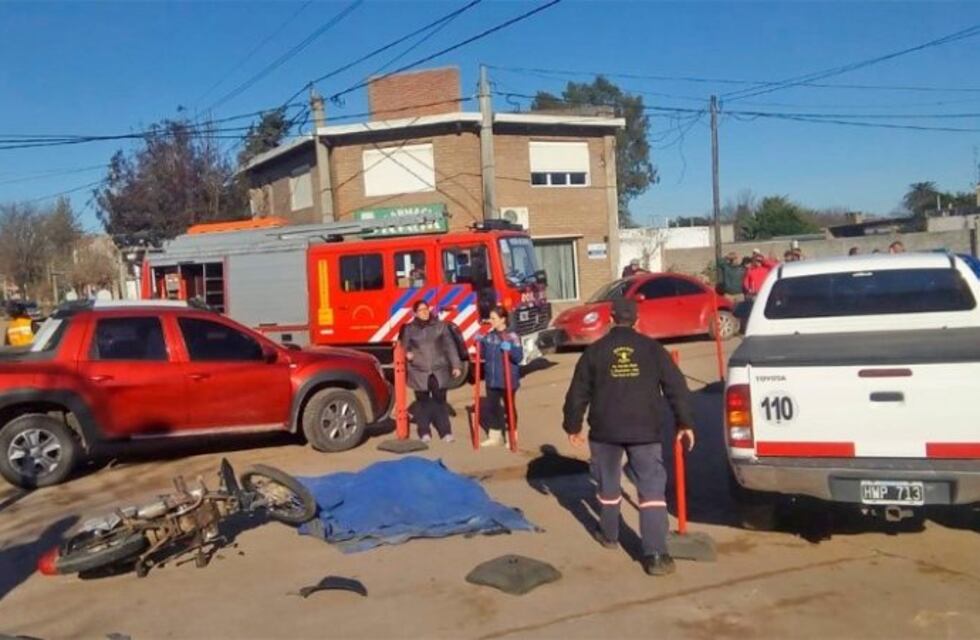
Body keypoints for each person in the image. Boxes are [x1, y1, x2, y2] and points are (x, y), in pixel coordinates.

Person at [562, 297, 696, 577]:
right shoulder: (652, 349)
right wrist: (685, 422)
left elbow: (578, 392)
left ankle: (610, 535)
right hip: (645, 430)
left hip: (605, 431)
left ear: (611, 319)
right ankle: (656, 555)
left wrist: (572, 426)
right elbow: (676, 386)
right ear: (636, 320)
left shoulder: (595, 352)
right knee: (651, 490)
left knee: (608, 486)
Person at [401, 300, 462, 443]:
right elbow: (403, 346)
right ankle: (424, 432)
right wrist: (407, 353)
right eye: (421, 310)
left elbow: (450, 346)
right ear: (415, 313)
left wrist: (456, 365)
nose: (424, 312)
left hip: (438, 370)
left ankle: (445, 432)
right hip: (419, 371)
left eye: (426, 309)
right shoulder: (409, 329)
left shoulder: (440, 326)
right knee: (422, 404)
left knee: (440, 401)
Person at [478, 306, 523, 447]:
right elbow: (484, 355)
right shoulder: (490, 335)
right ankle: (495, 436)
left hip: (507, 379)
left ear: (502, 319)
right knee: (492, 408)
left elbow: (518, 357)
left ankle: (512, 436)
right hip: (492, 379)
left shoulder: (512, 336)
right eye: (490, 318)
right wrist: (480, 343)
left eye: (493, 318)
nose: (490, 321)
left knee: (509, 408)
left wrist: (511, 350)